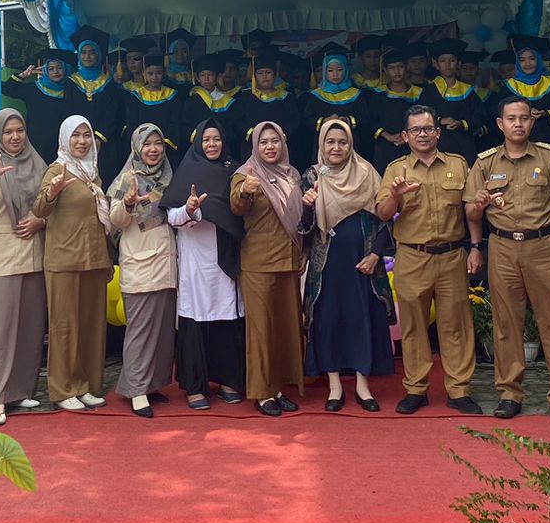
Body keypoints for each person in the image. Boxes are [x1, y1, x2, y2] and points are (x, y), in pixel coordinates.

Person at [467, 94, 550, 422]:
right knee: (505, 324)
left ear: (533, 121)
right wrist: (479, 203)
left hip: (544, 247)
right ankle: (509, 393)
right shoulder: (485, 162)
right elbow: (471, 213)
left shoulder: (549, 158)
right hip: (501, 247)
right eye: (511, 119)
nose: (518, 124)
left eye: (524, 118)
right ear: (500, 124)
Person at [374, 104, 481, 416]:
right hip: (412, 256)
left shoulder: (459, 165)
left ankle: (459, 390)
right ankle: (416, 388)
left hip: (451, 256)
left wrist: (475, 247)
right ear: (406, 136)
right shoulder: (396, 169)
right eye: (415, 130)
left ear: (438, 132)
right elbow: (382, 214)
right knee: (414, 326)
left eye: (428, 128)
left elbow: (471, 210)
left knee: (456, 325)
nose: (422, 134)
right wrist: (395, 194)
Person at [302, 118, 395, 411]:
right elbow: (304, 229)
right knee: (328, 320)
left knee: (360, 318)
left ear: (351, 144)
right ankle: (334, 386)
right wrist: (306, 206)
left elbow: (385, 219)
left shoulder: (367, 172)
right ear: (322, 145)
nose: (336, 147)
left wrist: (376, 255)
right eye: (330, 142)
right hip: (327, 263)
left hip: (362, 262)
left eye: (342, 142)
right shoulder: (312, 176)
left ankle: (362, 385)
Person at [160, 118, 247, 409]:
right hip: (196, 258)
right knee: (196, 319)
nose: (212, 144)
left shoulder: (235, 170)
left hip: (226, 256)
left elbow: (242, 211)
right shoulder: (188, 170)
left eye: (217, 139)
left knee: (226, 316)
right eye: (206, 139)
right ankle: (195, 386)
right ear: (198, 142)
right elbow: (171, 218)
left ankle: (228, 380)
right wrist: (190, 209)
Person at [0, 110, 48, 427]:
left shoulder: (38, 164)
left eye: (20, 130)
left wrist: (40, 220)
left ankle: (20, 390)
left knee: (29, 330)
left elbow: (50, 206)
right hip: (0, 260)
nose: (15, 137)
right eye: (8, 132)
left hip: (33, 257)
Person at [33, 115, 115, 412]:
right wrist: (53, 191)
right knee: (64, 326)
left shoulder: (92, 173)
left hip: (93, 258)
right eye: (75, 136)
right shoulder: (57, 169)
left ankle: (87, 385)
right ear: (64, 139)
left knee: (91, 326)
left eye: (86, 135)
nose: (82, 141)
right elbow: (40, 208)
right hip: (65, 259)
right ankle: (63, 388)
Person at [231, 121, 311, 416]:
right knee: (262, 330)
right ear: (255, 146)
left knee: (286, 329)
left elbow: (300, 219)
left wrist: (304, 251)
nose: (269, 147)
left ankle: (278, 387)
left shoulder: (293, 175)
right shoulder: (245, 174)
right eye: (263, 142)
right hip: (258, 264)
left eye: (274, 141)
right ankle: (262, 393)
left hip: (289, 259)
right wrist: (246, 192)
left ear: (283, 144)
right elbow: (236, 206)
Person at [108, 123, 179, 418]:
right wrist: (126, 203)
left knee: (163, 330)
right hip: (139, 261)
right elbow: (113, 221)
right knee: (140, 329)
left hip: (166, 261)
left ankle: (153, 384)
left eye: (158, 144)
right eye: (147, 144)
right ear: (137, 147)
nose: (153, 149)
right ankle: (136, 390)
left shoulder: (169, 176)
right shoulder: (128, 178)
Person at [66, 25, 126, 185]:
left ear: (99, 55)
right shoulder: (71, 82)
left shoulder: (109, 83)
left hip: (105, 144)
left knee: (105, 180)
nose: (87, 56)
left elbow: (113, 112)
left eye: (92, 52)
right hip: (77, 141)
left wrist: (99, 137)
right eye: (83, 52)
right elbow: (67, 112)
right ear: (78, 55)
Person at [495, 34, 550, 149]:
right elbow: (496, 111)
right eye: (522, 60)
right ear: (517, 63)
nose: (527, 64)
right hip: (518, 143)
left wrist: (546, 113)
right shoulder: (510, 86)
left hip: (548, 141)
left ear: (538, 60)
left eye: (532, 59)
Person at [1, 47, 74, 164]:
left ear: (66, 69)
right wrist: (24, 75)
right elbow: (6, 89)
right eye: (51, 68)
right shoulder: (34, 89)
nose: (55, 71)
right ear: (45, 70)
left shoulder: (72, 92)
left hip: (61, 148)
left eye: (60, 68)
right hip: (34, 147)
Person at [422, 38, 488, 164]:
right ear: (435, 64)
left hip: (464, 145)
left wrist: (462, 123)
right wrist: (440, 120)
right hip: (438, 144)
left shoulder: (467, 91)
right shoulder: (429, 91)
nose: (447, 65)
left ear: (458, 64)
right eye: (443, 61)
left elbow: (480, 116)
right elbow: (420, 117)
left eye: (452, 60)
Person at [299, 44, 365, 168]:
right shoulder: (315, 95)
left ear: (346, 70)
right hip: (323, 145)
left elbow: (366, 119)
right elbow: (306, 121)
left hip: (351, 145)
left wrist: (347, 120)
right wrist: (324, 121)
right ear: (324, 72)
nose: (335, 74)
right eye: (330, 71)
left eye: (339, 70)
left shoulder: (357, 94)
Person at [366, 37, 422, 172]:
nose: (396, 72)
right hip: (385, 147)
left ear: (406, 67)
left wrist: (407, 136)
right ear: (385, 70)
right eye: (392, 68)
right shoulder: (378, 95)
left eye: (400, 67)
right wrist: (388, 136)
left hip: (412, 144)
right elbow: (371, 121)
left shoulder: (419, 94)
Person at [124, 51, 184, 162]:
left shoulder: (173, 96)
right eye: (150, 73)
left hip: (167, 149)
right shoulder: (136, 97)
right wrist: (143, 145)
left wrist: (162, 144)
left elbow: (175, 122)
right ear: (143, 74)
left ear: (164, 73)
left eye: (158, 73)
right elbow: (132, 123)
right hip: (142, 149)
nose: (154, 77)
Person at [242, 48, 302, 151]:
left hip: (280, 144)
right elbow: (239, 122)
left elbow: (294, 121)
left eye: (268, 72)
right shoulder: (246, 97)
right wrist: (253, 135)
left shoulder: (286, 97)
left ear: (275, 75)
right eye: (260, 73)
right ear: (254, 77)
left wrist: (281, 135)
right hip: (253, 145)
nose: (265, 76)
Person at [183, 53, 246, 146]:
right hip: (197, 147)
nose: (206, 78)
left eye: (210, 75)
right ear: (198, 78)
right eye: (203, 75)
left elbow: (234, 128)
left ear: (217, 77)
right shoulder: (191, 102)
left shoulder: (227, 102)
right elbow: (185, 126)